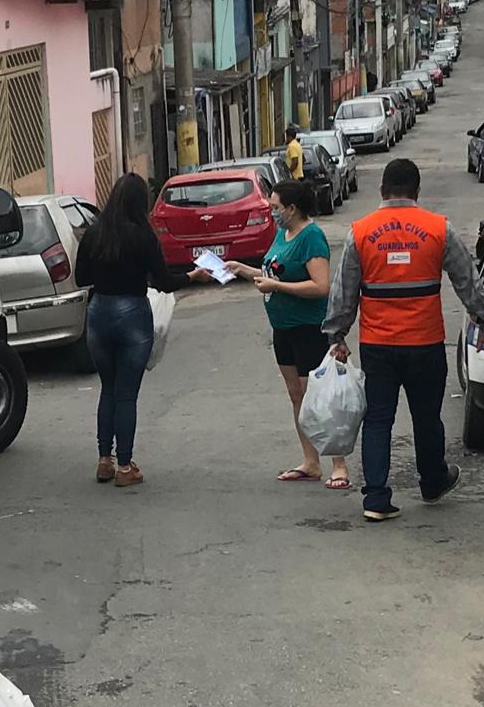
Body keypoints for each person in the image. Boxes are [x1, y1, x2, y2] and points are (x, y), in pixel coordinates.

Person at [323, 159, 484, 522]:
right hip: (425, 342)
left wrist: (336, 334)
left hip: (378, 344)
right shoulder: (438, 229)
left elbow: (344, 290)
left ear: (382, 190)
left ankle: (375, 498)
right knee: (427, 417)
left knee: (378, 419)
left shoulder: (361, 232)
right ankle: (433, 481)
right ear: (417, 191)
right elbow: (467, 280)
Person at [74, 173, 207, 487]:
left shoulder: (94, 234)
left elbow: (81, 278)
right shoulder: (144, 236)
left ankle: (104, 460)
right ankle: (125, 466)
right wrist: (193, 276)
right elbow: (164, 282)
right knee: (126, 395)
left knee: (108, 388)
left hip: (99, 312)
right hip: (132, 313)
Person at [228, 180, 350, 488]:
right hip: (283, 329)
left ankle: (338, 465)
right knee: (297, 396)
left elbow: (320, 286)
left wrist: (277, 287)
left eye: (276, 208)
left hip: (308, 328)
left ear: (292, 209)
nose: (272, 213)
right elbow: (273, 273)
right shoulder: (283, 233)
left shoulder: (312, 237)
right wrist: (243, 269)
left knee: (319, 398)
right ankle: (310, 461)